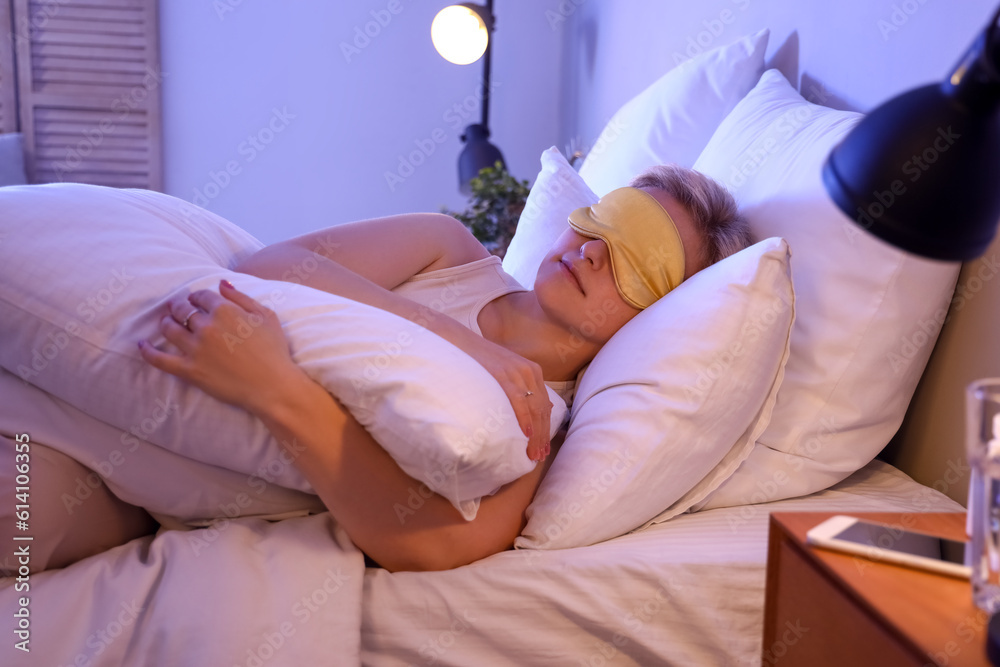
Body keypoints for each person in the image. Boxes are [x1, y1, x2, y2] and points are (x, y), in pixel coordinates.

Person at [138, 165, 751, 571]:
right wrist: (474, 346)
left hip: (179, 495)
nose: (591, 251)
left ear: (661, 314)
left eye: (636, 264)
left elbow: (440, 541)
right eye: (609, 223)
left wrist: (278, 391)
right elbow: (272, 266)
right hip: (149, 367)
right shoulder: (447, 249)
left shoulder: (554, 424)